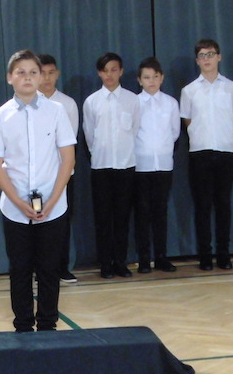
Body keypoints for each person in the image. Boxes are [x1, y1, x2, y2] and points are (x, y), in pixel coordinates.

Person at [0, 49, 76, 332]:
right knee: (20, 269)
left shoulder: (56, 111)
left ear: (41, 77)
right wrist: (18, 201)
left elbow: (68, 158)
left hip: (53, 206)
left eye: (33, 72)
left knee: (49, 268)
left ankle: (48, 326)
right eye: (20, 72)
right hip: (15, 207)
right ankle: (23, 326)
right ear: (10, 77)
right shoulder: (0, 116)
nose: (27, 77)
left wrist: (54, 199)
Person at [180, 38, 233, 271]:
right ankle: (205, 256)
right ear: (197, 60)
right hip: (200, 152)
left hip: (225, 151)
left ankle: (224, 254)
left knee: (223, 204)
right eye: (202, 55)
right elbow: (188, 120)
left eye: (210, 54)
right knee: (202, 205)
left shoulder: (231, 87)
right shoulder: (189, 90)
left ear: (219, 57)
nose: (207, 59)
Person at [83, 52, 140, 278]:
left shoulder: (132, 100)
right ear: (99, 73)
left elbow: (134, 129)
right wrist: (99, 153)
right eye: (105, 70)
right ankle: (105, 264)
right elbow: (89, 134)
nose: (109, 74)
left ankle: (121, 262)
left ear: (121, 71)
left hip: (126, 166)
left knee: (123, 217)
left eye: (114, 70)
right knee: (103, 218)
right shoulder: (92, 102)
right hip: (101, 167)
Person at [134, 57, 180, 272]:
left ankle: (161, 257)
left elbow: (175, 132)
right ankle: (144, 258)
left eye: (155, 77)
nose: (151, 81)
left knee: (160, 212)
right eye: (146, 77)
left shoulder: (171, 103)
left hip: (163, 165)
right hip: (140, 165)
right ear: (139, 80)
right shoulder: (134, 103)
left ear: (162, 78)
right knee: (142, 213)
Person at [39, 54, 80, 284]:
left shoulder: (68, 104)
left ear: (57, 74)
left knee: (62, 220)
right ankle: (39, 269)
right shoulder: (29, 103)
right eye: (42, 73)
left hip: (63, 173)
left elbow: (69, 141)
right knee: (37, 221)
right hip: (37, 175)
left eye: (51, 73)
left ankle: (62, 268)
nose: (47, 78)